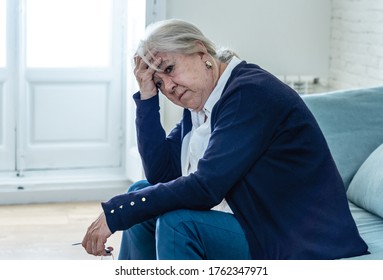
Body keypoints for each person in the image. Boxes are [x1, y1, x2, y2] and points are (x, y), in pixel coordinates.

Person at [81, 19, 368, 260]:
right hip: (254, 219)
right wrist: (147, 98)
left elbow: (206, 187)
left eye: (169, 70)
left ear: (200, 51)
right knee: (141, 190)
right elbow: (160, 176)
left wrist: (118, 211)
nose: (168, 87)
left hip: (294, 235)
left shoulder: (249, 93)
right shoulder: (201, 105)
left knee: (178, 223)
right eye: (158, 83)